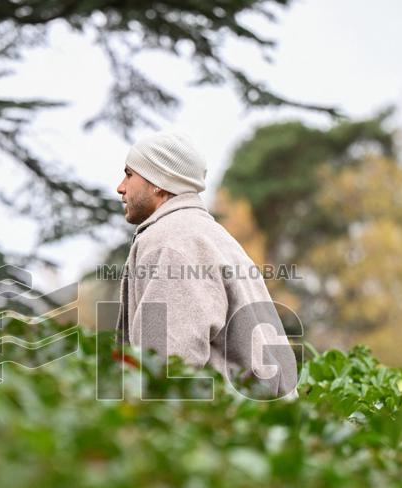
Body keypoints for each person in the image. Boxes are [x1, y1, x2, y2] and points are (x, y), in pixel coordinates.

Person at [114, 130, 298, 398]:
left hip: (231, 417)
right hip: (261, 414)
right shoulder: (208, 234)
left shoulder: (171, 241)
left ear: (158, 182)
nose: (120, 187)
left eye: (129, 175)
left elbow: (166, 364)